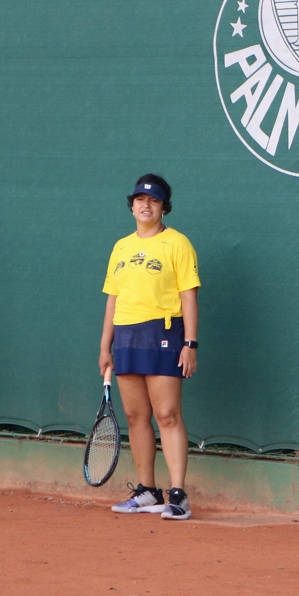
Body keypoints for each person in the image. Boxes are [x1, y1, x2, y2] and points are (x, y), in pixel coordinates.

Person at [98, 174, 200, 520]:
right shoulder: (120, 247)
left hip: (164, 332)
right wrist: (105, 347)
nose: (146, 205)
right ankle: (147, 491)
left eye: (154, 200)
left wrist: (190, 343)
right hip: (126, 336)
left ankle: (178, 495)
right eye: (140, 199)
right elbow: (113, 300)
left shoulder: (178, 244)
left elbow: (189, 296)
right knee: (135, 416)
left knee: (167, 414)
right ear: (132, 206)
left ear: (163, 208)